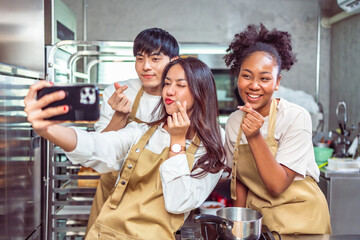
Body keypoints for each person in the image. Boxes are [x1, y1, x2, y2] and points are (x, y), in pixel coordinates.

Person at [24, 57, 228, 239]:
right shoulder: (143, 132)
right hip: (105, 233)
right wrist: (48, 130)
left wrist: (177, 142)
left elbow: (177, 203)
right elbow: (96, 145)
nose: (169, 90)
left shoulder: (211, 148)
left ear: (200, 93)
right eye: (167, 83)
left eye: (180, 85)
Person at [224, 23, 331, 234]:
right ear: (238, 76)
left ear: (277, 82)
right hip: (263, 225)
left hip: (304, 224)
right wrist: (239, 228)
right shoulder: (233, 122)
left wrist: (254, 136)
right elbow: (240, 181)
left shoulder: (295, 117)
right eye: (247, 76)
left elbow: (277, 185)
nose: (254, 85)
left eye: (264, 78)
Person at [88, 28, 179, 232]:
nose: (145, 67)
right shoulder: (119, 92)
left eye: (155, 59)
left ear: (174, 61)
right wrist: (120, 115)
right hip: (113, 194)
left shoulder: (182, 96)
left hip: (158, 198)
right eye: (140, 58)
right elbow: (101, 152)